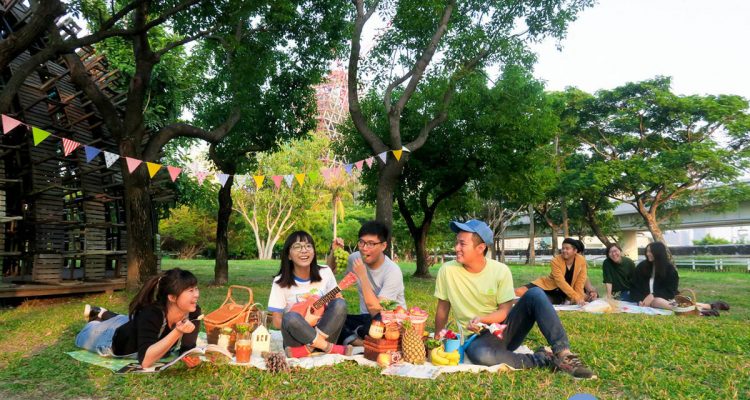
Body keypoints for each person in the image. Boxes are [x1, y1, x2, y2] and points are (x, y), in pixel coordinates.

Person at [434, 219, 594, 379]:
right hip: (475, 338)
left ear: (480, 248)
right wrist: (437, 338)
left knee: (535, 293)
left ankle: (563, 354)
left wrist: (483, 319)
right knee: (482, 355)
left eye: (462, 244)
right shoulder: (447, 271)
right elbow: (442, 308)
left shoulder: (500, 271)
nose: (456, 248)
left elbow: (505, 311)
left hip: (504, 330)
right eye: (457, 242)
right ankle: (543, 359)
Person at [75, 268, 202, 369]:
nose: (197, 294)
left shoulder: (193, 312)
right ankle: (96, 318)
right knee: (85, 334)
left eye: (196, 288)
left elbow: (187, 348)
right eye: (190, 290)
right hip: (107, 337)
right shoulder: (151, 314)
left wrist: (191, 357)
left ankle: (104, 313)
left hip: (131, 325)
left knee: (132, 320)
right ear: (172, 297)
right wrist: (178, 331)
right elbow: (145, 362)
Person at [268, 230, 352, 358]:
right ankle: (327, 347)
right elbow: (276, 321)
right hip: (296, 340)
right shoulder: (280, 282)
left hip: (325, 332)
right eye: (297, 246)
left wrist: (336, 300)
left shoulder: (325, 272)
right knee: (290, 317)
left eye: (308, 246)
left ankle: (310, 348)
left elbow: (336, 305)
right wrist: (304, 323)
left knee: (340, 304)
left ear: (313, 252)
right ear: (289, 255)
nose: (304, 250)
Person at [327, 221, 406, 346]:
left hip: (390, 322)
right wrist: (334, 251)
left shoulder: (392, 271)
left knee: (376, 325)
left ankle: (354, 336)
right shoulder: (355, 258)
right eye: (361, 242)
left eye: (371, 244)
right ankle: (357, 339)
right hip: (364, 317)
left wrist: (363, 276)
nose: (364, 248)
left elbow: (377, 311)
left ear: (383, 246)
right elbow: (329, 271)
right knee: (329, 317)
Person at [515, 238, 589, 305]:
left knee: (539, 301)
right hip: (546, 285)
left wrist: (579, 297)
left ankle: (518, 303)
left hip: (559, 293)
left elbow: (580, 282)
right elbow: (560, 281)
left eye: (567, 248)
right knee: (518, 291)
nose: (564, 251)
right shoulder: (555, 261)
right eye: (563, 248)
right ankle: (509, 298)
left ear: (575, 251)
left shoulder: (581, 261)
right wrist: (575, 296)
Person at [630, 241, 679, 309]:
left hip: (664, 300)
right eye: (647, 251)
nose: (647, 254)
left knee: (657, 301)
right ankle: (678, 307)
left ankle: (679, 308)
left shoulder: (669, 269)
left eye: (650, 251)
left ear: (658, 252)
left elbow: (671, 291)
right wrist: (640, 300)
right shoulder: (641, 266)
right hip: (644, 300)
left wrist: (653, 295)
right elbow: (634, 287)